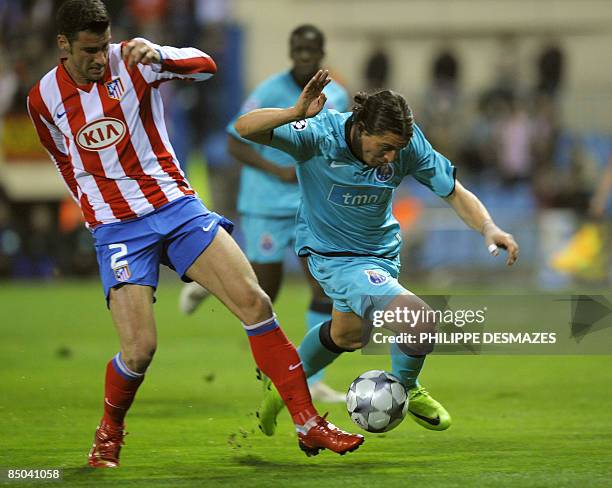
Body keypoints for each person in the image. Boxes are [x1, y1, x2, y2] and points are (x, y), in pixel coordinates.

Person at [27, 1, 363, 467]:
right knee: (140, 349)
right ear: (63, 45)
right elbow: (63, 157)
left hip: (175, 207)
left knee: (255, 302)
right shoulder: (42, 98)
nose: (100, 58)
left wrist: (160, 54)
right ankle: (109, 433)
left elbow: (206, 67)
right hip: (118, 227)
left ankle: (307, 422)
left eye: (103, 46)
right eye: (89, 50)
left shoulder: (133, 60)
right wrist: (92, 213)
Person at [234, 70, 519, 435]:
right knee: (419, 320)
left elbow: (453, 191)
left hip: (380, 254)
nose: (390, 157)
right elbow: (245, 128)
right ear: (360, 127)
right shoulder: (320, 135)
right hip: (334, 256)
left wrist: (489, 227)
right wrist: (294, 113)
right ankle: (406, 388)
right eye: (384, 146)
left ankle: (283, 386)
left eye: (397, 149)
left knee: (348, 335)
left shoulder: (405, 145)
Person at [180, 24, 349, 402]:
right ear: (291, 51)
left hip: (311, 206)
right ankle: (211, 284)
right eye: (298, 48)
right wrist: (276, 170)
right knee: (263, 291)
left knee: (323, 289)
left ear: (321, 52)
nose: (304, 55)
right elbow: (234, 142)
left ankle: (314, 378)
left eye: (311, 49)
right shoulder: (270, 91)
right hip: (267, 204)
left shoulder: (336, 95)